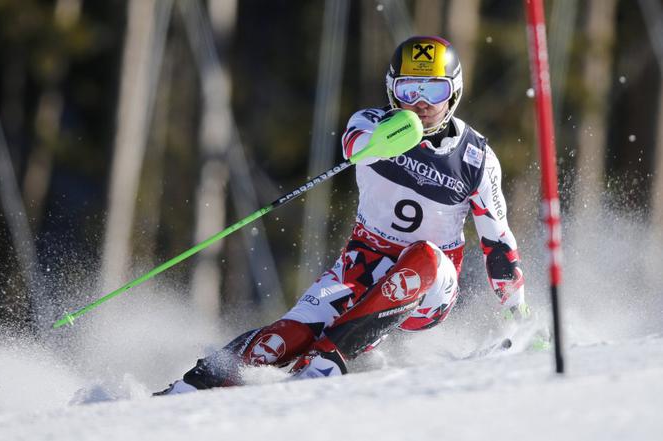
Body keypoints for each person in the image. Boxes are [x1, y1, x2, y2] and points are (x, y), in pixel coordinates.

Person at [155, 35, 528, 394]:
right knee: (287, 336)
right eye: (409, 90)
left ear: (454, 93)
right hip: (361, 267)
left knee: (426, 256)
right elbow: (354, 144)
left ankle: (326, 360)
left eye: (434, 91)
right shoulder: (370, 121)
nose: (420, 103)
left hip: (430, 288)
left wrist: (518, 314)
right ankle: (195, 384)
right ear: (392, 90)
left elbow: (498, 242)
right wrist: (386, 141)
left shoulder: (476, 159)